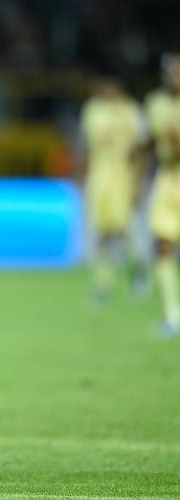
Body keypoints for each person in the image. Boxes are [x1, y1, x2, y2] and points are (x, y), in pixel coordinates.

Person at [79, 75, 148, 303]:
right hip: (99, 178)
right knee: (101, 233)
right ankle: (103, 284)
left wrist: (137, 181)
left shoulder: (132, 111)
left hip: (122, 177)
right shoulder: (92, 110)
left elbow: (140, 150)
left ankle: (139, 266)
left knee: (124, 228)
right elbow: (88, 146)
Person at [144, 53, 180, 336]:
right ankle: (171, 316)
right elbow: (153, 143)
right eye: (167, 71)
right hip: (168, 178)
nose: (171, 76)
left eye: (176, 71)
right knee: (162, 245)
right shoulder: (155, 104)